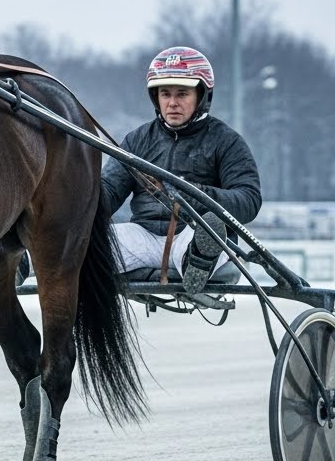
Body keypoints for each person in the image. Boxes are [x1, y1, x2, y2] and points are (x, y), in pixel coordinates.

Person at [100, 46, 262, 294]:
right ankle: (27, 262)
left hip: (194, 232)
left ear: (202, 95)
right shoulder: (137, 140)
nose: (172, 103)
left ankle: (195, 264)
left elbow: (249, 200)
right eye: (165, 94)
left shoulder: (226, 141)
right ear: (156, 97)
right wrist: (79, 199)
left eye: (182, 94)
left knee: (206, 232)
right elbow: (109, 191)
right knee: (90, 240)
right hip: (144, 236)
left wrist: (200, 195)